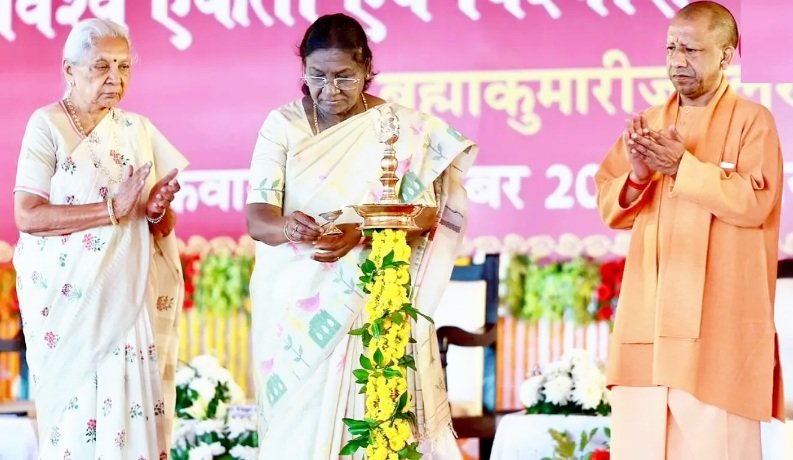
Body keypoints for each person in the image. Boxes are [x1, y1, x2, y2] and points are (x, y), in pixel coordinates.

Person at [245, 13, 477, 459]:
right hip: (297, 303)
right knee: (296, 429)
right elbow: (259, 218)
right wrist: (291, 227)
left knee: (377, 420)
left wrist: (364, 230)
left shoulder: (397, 127)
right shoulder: (283, 125)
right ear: (303, 70)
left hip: (373, 293)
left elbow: (428, 213)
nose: (330, 89)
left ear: (366, 67)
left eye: (344, 76)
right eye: (317, 76)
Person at [595, 2, 784, 459]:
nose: (678, 61)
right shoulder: (650, 124)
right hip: (649, 324)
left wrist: (684, 166)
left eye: (692, 50)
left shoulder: (753, 121)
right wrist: (638, 176)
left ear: (725, 56)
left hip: (717, 329)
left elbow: (754, 203)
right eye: (671, 48)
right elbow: (609, 204)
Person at [13, 18, 188, 458]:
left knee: (130, 421)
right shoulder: (47, 125)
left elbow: (159, 228)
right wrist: (112, 209)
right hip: (67, 307)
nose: (115, 77)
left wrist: (155, 209)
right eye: (102, 66)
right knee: (75, 426)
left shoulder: (137, 131)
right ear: (69, 70)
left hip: (126, 304)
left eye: (124, 66)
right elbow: (27, 215)